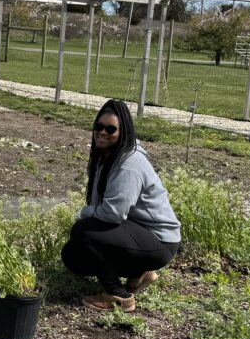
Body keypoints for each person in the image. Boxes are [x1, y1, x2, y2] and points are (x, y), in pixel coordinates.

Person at [61, 99, 181, 312]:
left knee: (84, 230)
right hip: (139, 232)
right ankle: (138, 275)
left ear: (123, 131)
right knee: (72, 253)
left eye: (110, 129)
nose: (102, 132)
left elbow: (113, 214)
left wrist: (83, 213)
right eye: (98, 127)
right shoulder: (105, 156)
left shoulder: (129, 164)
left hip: (159, 240)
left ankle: (118, 295)